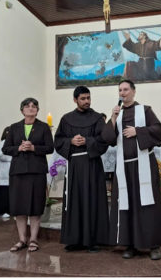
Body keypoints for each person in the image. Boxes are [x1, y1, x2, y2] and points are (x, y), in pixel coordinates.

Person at [102, 79, 161, 260]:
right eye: (120, 90)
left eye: (126, 89)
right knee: (126, 204)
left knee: (148, 204)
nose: (122, 93)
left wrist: (138, 131)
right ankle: (129, 244)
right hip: (124, 168)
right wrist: (113, 118)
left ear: (134, 92)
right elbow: (107, 138)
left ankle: (153, 245)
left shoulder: (145, 110)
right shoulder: (117, 113)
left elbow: (158, 130)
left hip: (143, 164)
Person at [54, 86, 109, 252]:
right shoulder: (66, 119)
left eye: (88, 98)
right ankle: (75, 239)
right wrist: (70, 141)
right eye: (83, 98)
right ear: (75, 99)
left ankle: (93, 240)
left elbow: (103, 140)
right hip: (75, 166)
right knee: (74, 200)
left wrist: (88, 141)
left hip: (92, 164)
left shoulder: (98, 118)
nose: (87, 101)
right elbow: (58, 141)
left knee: (92, 200)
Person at [2, 98, 54, 252]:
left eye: (34, 106)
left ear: (37, 110)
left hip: (36, 171)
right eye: (27, 106)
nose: (31, 108)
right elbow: (5, 149)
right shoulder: (14, 127)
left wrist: (33, 148)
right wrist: (18, 148)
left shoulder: (43, 127)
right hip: (18, 172)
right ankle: (21, 239)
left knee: (35, 206)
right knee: (20, 207)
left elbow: (50, 148)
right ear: (22, 110)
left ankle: (33, 239)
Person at [0, 127, 12, 218]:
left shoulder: (11, 143)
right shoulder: (3, 142)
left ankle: (7, 211)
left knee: (7, 194)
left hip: (8, 174)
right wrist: (13, 158)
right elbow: (0, 156)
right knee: (3, 194)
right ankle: (1, 212)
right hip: (3, 174)